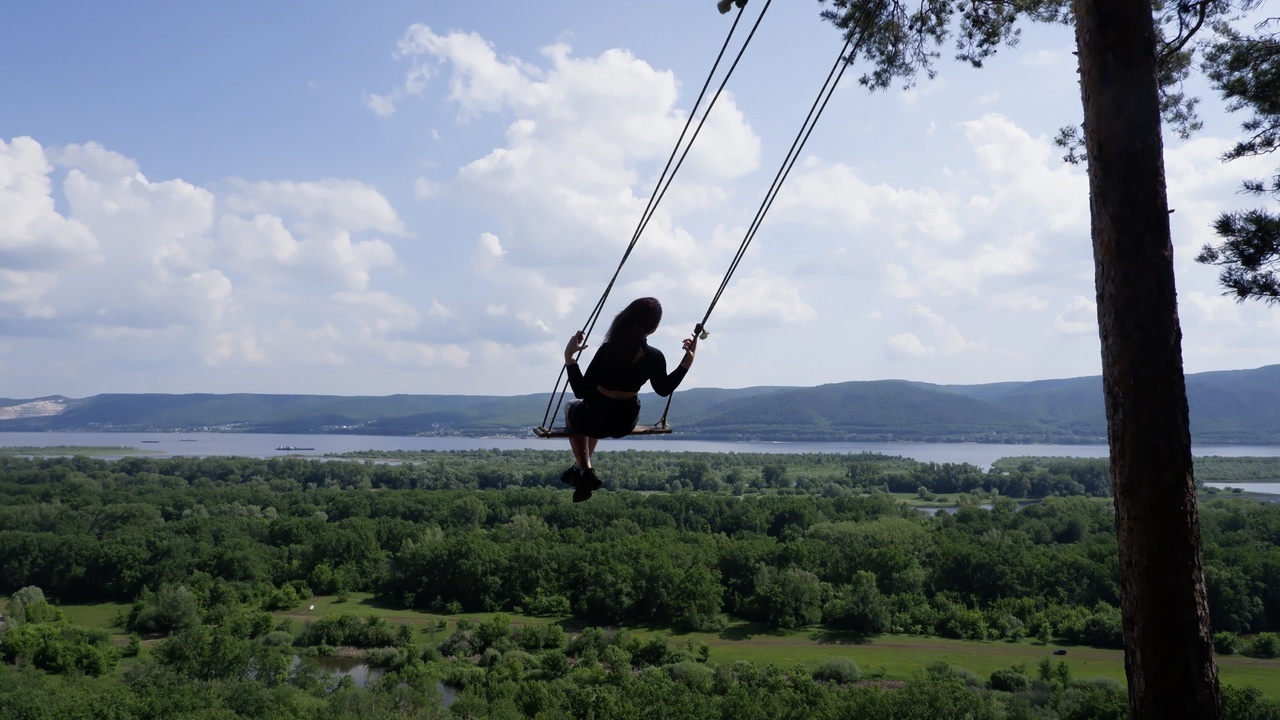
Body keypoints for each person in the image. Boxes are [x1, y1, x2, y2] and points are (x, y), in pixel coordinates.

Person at [561, 297, 696, 502]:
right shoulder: (654, 356)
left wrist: (569, 357)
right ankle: (581, 470)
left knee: (573, 406)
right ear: (654, 328)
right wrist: (688, 361)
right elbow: (664, 389)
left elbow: (580, 390)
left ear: (627, 318)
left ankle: (584, 469)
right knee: (595, 416)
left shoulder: (608, 350)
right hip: (623, 422)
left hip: (594, 416)